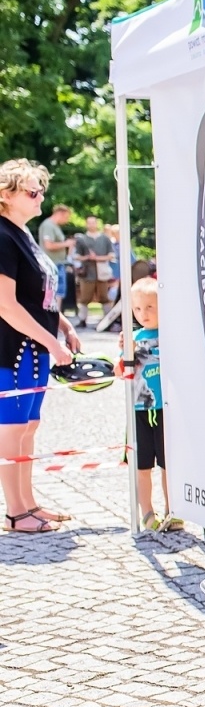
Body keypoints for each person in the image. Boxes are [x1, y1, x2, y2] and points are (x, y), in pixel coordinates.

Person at [0, 159, 79, 533]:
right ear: (6, 195)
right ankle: (16, 512)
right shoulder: (1, 236)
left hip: (34, 350)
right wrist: (51, 340)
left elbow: (38, 297)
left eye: (41, 191)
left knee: (29, 426)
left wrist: (63, 325)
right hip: (13, 350)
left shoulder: (23, 234)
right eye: (31, 192)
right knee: (12, 429)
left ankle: (29, 503)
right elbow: (6, 305)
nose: (40, 198)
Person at [121, 278, 181, 531]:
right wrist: (124, 354)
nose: (142, 314)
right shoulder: (131, 338)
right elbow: (119, 371)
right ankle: (146, 511)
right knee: (142, 465)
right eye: (137, 309)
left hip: (166, 410)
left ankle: (174, 509)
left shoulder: (171, 335)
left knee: (169, 464)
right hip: (138, 411)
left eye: (150, 307)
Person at [73, 215, 115, 328]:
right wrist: (87, 257)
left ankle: (108, 320)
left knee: (104, 297)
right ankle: (82, 320)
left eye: (93, 222)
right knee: (85, 298)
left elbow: (111, 255)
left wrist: (97, 258)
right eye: (89, 223)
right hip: (87, 273)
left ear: (97, 224)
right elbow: (76, 256)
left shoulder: (104, 239)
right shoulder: (82, 239)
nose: (91, 225)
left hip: (102, 273)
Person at [38, 205, 72, 303]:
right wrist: (66, 243)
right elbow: (48, 245)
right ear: (59, 214)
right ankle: (53, 317)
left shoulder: (55, 226)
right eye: (66, 217)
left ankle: (56, 316)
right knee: (54, 293)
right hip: (52, 264)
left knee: (59, 293)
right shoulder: (48, 225)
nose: (66, 220)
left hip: (58, 263)